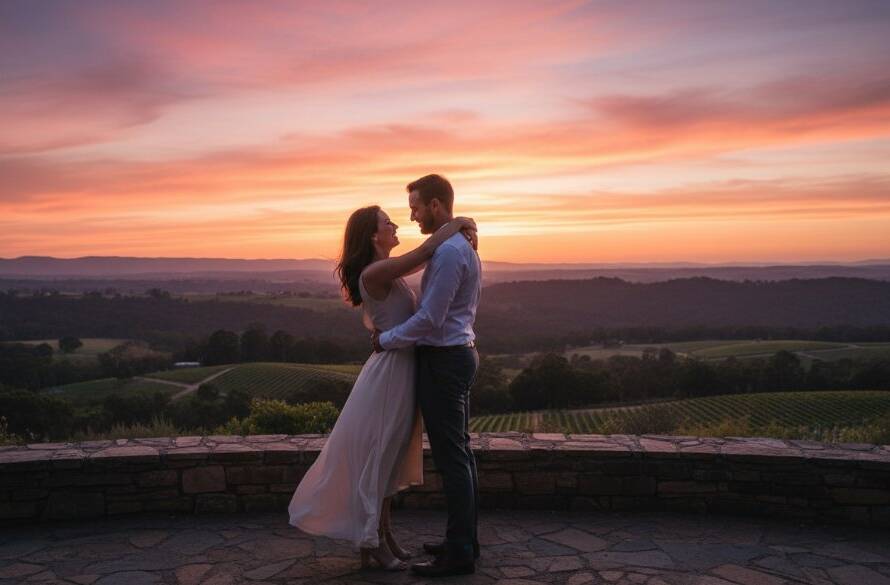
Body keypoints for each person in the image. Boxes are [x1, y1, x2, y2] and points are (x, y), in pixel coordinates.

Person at [287, 202, 477, 571]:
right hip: (390, 372)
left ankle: (384, 533)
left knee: (389, 461)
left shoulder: (389, 272)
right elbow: (424, 252)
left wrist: (458, 231)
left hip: (404, 368)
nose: (396, 225)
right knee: (378, 458)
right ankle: (369, 541)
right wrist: (461, 223)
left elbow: (427, 257)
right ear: (374, 235)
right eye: (387, 222)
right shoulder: (376, 272)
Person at [372, 174, 483, 578]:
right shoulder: (456, 244)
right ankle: (464, 539)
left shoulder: (452, 252)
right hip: (456, 355)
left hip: (445, 360)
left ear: (437, 206)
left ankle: (460, 553)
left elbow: (431, 319)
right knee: (462, 454)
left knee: (453, 458)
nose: (413, 215)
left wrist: (386, 339)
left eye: (417, 207)